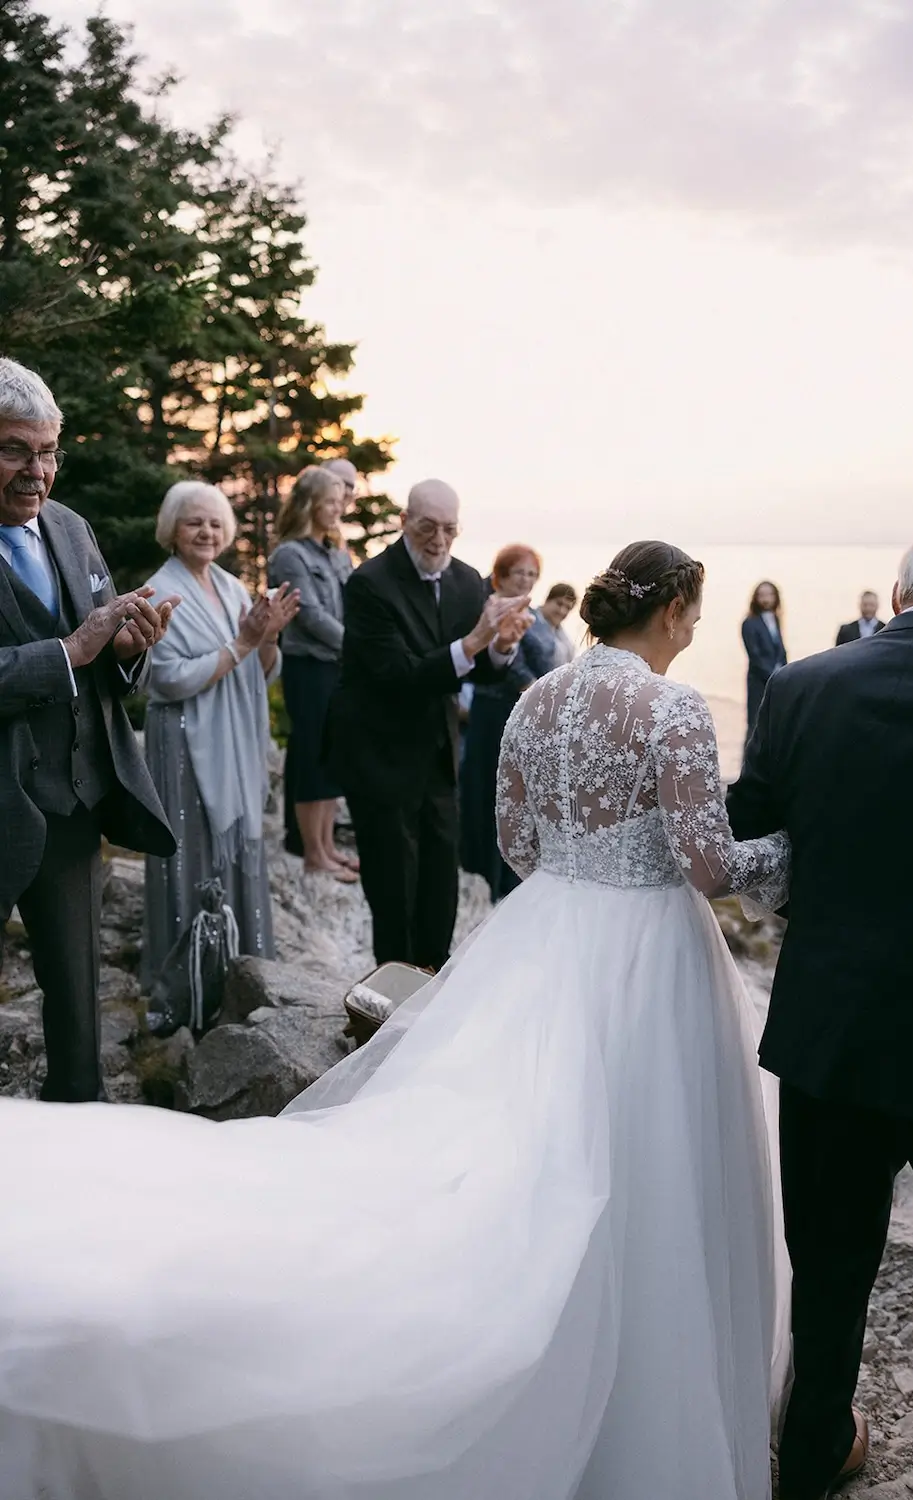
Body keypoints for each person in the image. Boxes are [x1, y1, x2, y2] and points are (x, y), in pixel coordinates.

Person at [0, 538, 792, 1500]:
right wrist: (791, 853)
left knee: (542, 1151)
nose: (698, 629)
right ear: (671, 613)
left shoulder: (541, 698)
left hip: (546, 939)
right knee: (646, 1155)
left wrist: (587, 877)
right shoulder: (671, 706)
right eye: (695, 614)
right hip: (650, 952)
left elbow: (513, 844)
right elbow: (707, 865)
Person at [728, 521, 913, 1500]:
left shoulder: (801, 685)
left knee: (831, 1268)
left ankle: (807, 1458)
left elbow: (748, 822)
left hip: (827, 1033)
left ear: (894, 595)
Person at [0, 357, 178, 1102]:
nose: (35, 472)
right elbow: (71, 648)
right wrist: (70, 650)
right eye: (14, 449)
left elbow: (99, 657)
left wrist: (125, 652)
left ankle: (79, 1168)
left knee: (78, 1017)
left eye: (47, 452)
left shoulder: (72, 528)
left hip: (71, 806)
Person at [328, 478, 532, 971]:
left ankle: (428, 992)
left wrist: (501, 645)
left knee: (442, 885)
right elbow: (397, 675)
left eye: (450, 529)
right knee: (393, 888)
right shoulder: (370, 584)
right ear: (404, 522)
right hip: (379, 755)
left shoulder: (466, 581)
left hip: (439, 756)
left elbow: (476, 668)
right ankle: (386, 1003)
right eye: (427, 527)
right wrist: (476, 640)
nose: (438, 540)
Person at [141, 482, 299, 985]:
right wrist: (246, 640)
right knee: (192, 851)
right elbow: (168, 679)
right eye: (194, 522)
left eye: (214, 522)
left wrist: (268, 636)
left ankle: (239, 973)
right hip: (185, 741)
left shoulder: (233, 587)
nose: (206, 531)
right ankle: (188, 984)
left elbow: (261, 671)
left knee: (234, 850)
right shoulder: (161, 591)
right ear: (172, 529)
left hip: (233, 739)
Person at [268, 467, 358, 881]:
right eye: (331, 499)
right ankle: (312, 853)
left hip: (337, 666)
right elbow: (309, 615)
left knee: (331, 756)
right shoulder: (290, 555)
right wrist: (356, 647)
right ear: (310, 503)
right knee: (310, 755)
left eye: (341, 499)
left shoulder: (336, 553)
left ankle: (326, 847)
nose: (338, 507)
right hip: (308, 666)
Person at [460, 543, 551, 902]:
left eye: (532, 574)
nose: (526, 580)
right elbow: (507, 662)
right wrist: (532, 686)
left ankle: (513, 877)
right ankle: (490, 875)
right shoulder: (492, 607)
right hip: (495, 710)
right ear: (501, 575)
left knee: (521, 796)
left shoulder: (534, 612)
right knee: (492, 792)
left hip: (525, 710)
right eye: (519, 573)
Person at [741, 580, 787, 742]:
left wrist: (787, 674)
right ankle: (748, 765)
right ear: (755, 598)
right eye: (761, 595)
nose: (766, 599)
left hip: (778, 680)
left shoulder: (776, 619)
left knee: (777, 722)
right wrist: (774, 676)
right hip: (759, 682)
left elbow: (780, 650)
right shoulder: (749, 623)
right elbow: (755, 656)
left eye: (769, 594)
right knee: (755, 724)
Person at [528, 580, 578, 667]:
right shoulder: (529, 620)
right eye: (559, 604)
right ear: (547, 600)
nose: (562, 611)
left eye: (568, 608)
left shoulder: (563, 637)